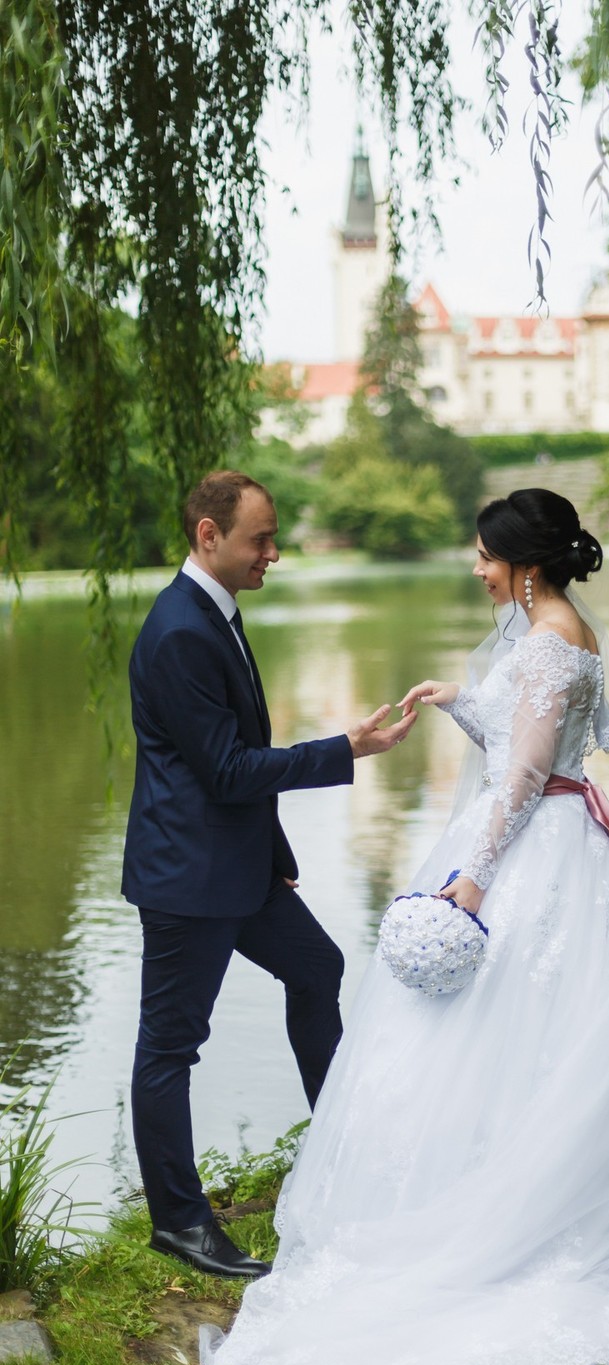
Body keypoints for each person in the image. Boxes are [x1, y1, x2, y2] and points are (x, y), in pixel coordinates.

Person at [202, 488, 609, 1365]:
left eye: (485, 556)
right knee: (525, 1037)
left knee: (508, 1030)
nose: (476, 569)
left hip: (534, 852)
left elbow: (525, 774)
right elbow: (534, 745)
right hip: (557, 838)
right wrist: (459, 700)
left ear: (524, 564)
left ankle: (516, 1213)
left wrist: (474, 878)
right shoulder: (559, 627)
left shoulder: (554, 640)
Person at [122, 470, 416, 1280]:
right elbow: (223, 768)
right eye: (260, 538)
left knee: (317, 967)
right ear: (209, 536)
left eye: (274, 536)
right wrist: (342, 750)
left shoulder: (214, 611)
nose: (273, 553)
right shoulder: (182, 630)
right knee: (169, 1046)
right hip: (189, 877)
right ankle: (180, 1223)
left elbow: (224, 760)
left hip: (238, 866)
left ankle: (341, 1153)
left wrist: (276, 858)